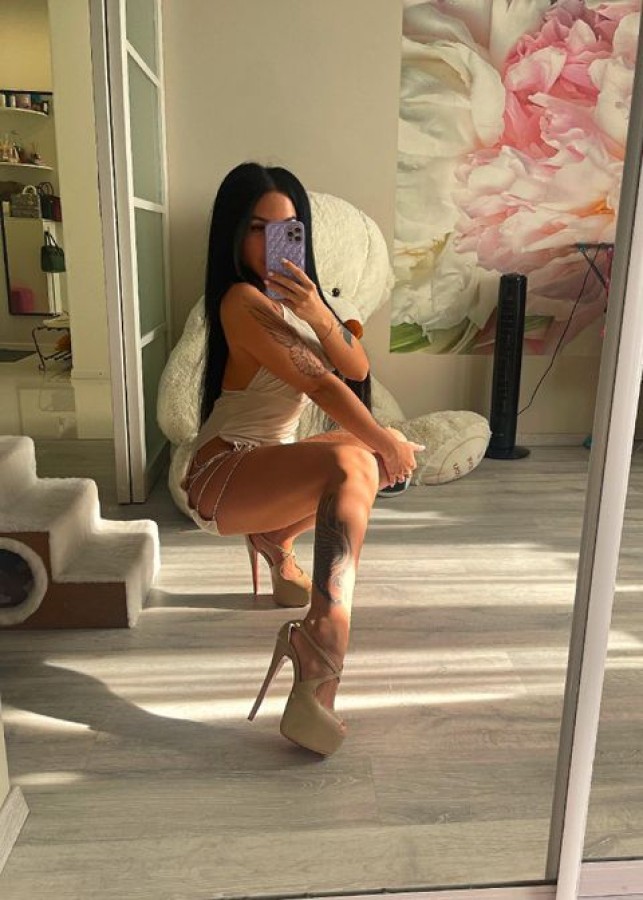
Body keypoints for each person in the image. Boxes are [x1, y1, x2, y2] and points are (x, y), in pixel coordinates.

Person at [181, 162, 423, 756]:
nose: (271, 243)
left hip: (261, 465)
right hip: (222, 473)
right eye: (256, 228)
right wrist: (385, 440)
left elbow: (357, 366)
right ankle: (322, 642)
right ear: (232, 233)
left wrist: (317, 310)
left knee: (360, 456)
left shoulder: (291, 303)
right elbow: (320, 383)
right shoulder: (240, 301)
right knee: (358, 461)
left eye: (286, 230)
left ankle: (275, 541)